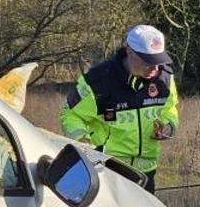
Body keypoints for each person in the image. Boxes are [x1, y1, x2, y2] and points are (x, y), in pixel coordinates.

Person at [60, 25, 178, 193]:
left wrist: (168, 126)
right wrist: (84, 146)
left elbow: (169, 109)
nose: (155, 68)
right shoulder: (98, 81)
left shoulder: (165, 78)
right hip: (106, 171)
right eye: (148, 61)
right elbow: (70, 114)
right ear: (129, 52)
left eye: (158, 60)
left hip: (146, 174)